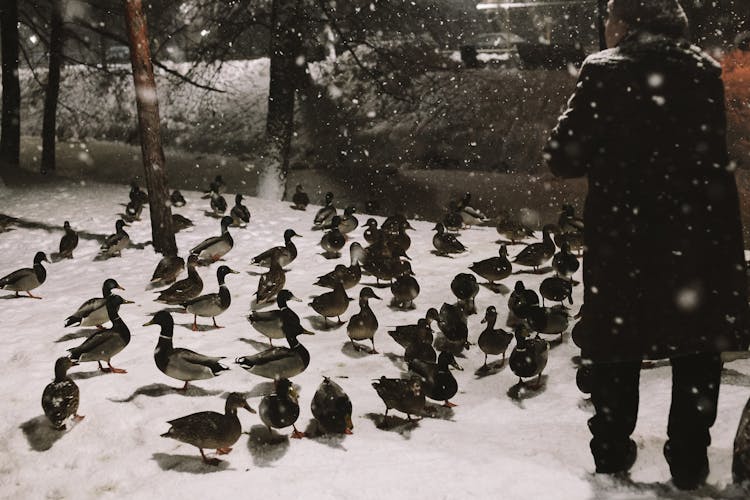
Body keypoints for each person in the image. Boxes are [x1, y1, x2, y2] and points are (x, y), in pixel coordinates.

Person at [544, 0, 750, 490]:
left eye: (612, 15)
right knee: (695, 343)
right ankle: (689, 463)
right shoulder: (702, 69)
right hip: (697, 236)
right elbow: (705, 152)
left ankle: (612, 459)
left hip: (627, 235)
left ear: (628, 21)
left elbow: (563, 156)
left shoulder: (604, 70)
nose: (606, 23)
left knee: (618, 340)